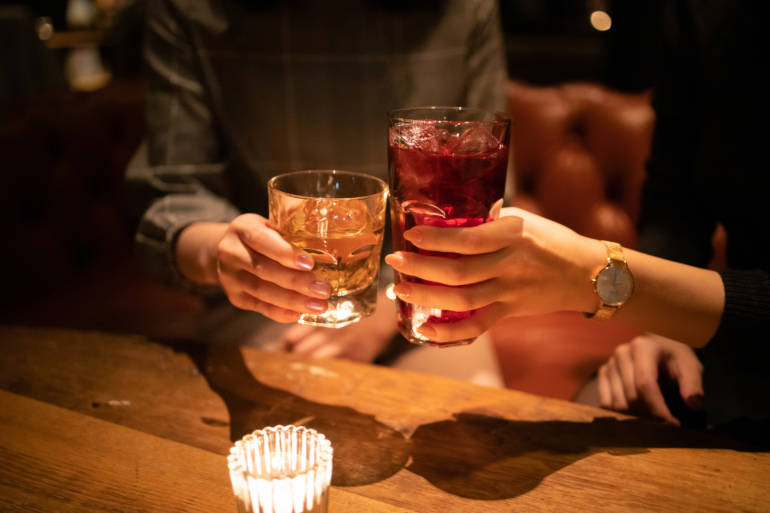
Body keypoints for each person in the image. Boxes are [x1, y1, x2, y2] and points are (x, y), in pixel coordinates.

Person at [386, 0, 769, 444]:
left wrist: (592, 275)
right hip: (719, 352)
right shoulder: (702, 12)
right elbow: (675, 199)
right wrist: (669, 330)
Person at [125, 0, 507, 361]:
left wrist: (391, 303)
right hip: (268, 304)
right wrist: (227, 257)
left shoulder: (463, 9)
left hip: (433, 302)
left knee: (467, 420)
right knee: (286, 425)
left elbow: (486, 204)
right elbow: (172, 196)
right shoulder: (192, 9)